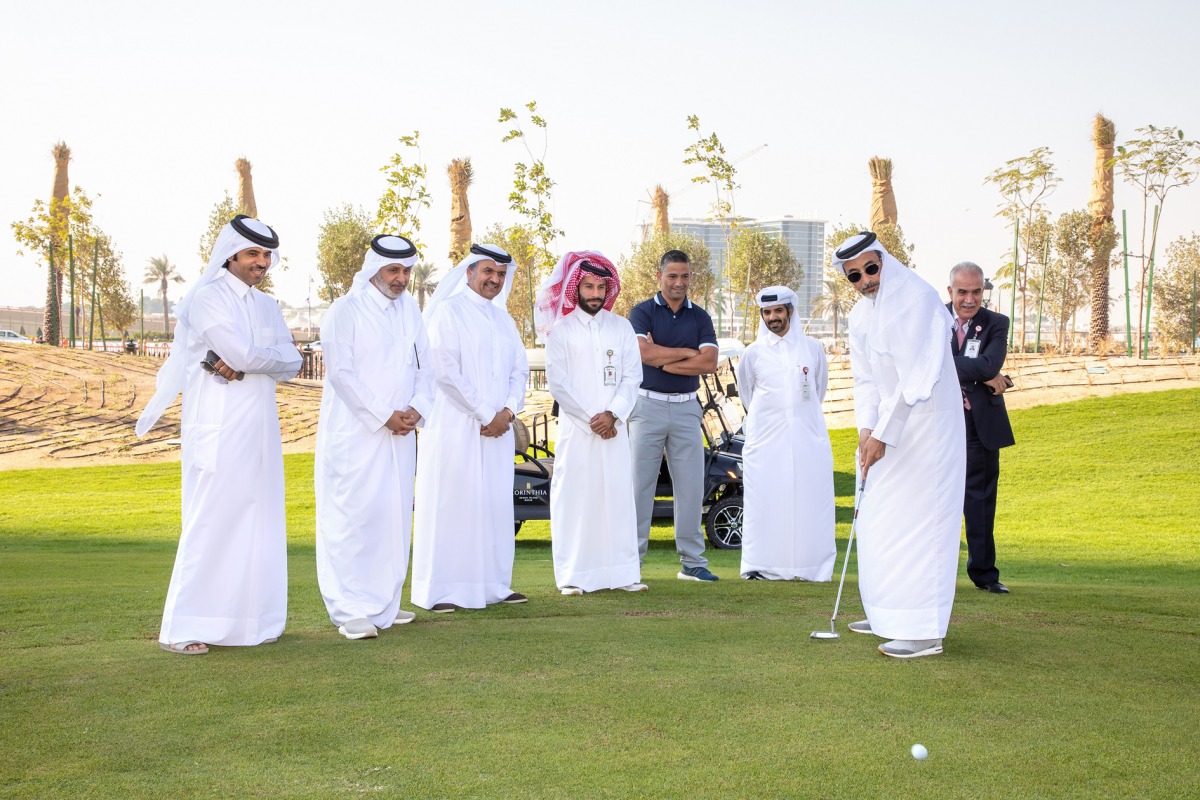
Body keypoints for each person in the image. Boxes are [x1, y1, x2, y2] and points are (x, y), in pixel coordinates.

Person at [136, 215, 302, 655]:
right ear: (232, 254)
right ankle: (182, 627)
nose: (261, 262)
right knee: (212, 518)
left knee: (258, 520)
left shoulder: (266, 306)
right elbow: (247, 353)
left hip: (261, 424)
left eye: (266, 255)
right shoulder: (207, 299)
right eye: (253, 254)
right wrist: (261, 359)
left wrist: (251, 363)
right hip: (219, 422)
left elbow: (295, 362)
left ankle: (251, 624)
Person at [837, 231, 966, 659]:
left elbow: (917, 378)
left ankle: (923, 630)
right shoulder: (859, 316)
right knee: (880, 521)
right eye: (855, 275)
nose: (866, 280)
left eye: (871, 269)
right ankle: (886, 613)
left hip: (926, 429)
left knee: (921, 526)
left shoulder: (918, 299)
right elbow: (865, 380)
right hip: (886, 431)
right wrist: (866, 430)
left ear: (884, 262)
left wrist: (885, 433)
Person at [314, 235, 434, 640]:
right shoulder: (344, 311)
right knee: (352, 517)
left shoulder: (410, 312)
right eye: (393, 270)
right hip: (356, 433)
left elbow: (425, 368)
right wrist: (384, 416)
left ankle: (384, 603)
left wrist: (416, 409)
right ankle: (349, 609)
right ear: (374, 269)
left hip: (401, 433)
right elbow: (342, 374)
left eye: (406, 271)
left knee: (393, 516)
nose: (401, 279)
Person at [411, 244, 530, 613]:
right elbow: (445, 371)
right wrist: (485, 413)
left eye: (500, 274)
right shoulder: (448, 312)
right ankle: (442, 591)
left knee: (492, 505)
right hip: (456, 427)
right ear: (469, 273)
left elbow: (519, 370)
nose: (494, 279)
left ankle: (494, 586)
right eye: (487, 272)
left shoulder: (503, 320)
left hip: (497, 429)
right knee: (453, 503)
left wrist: (507, 413)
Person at [536, 251, 646, 595]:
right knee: (576, 499)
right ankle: (573, 577)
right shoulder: (561, 332)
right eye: (588, 286)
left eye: (601, 287)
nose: (596, 294)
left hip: (615, 429)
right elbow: (559, 384)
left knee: (616, 498)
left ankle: (623, 575)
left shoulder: (622, 327)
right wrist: (592, 420)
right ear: (575, 288)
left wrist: (612, 414)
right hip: (578, 431)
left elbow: (633, 376)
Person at [735, 286, 836, 582]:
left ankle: (810, 568)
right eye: (766, 312)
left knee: (809, 502)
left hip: (806, 438)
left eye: (778, 311)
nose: (772, 318)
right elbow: (747, 395)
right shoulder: (752, 354)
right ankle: (762, 567)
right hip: (766, 442)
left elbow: (818, 390)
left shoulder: (813, 348)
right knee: (766, 501)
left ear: (790, 311)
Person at [947, 261, 1016, 594]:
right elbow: (923, 360)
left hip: (979, 428)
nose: (970, 299)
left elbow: (990, 363)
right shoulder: (933, 319)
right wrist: (980, 373)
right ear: (951, 292)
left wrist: (982, 370)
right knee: (936, 502)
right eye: (963, 292)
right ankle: (935, 572)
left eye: (977, 292)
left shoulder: (996, 323)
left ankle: (985, 575)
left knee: (980, 505)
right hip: (940, 426)